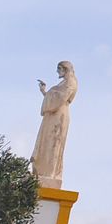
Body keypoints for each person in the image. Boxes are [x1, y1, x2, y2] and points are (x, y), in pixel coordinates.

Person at [31, 60, 77, 189]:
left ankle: (50, 173)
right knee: (46, 141)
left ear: (64, 69)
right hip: (52, 114)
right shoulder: (63, 83)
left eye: (59, 69)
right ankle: (42, 171)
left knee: (54, 143)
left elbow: (61, 98)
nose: (57, 72)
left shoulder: (71, 82)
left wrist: (51, 92)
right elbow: (55, 97)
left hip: (59, 115)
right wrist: (45, 92)